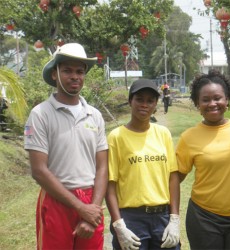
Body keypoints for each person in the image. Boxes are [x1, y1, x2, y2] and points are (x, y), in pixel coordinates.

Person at [24, 43, 108, 250]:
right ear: (55, 74)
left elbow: (102, 167)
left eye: (80, 71)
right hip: (56, 201)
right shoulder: (40, 114)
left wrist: (92, 210)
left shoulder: (94, 115)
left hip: (91, 200)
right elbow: (39, 171)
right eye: (67, 70)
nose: (74, 76)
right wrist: (81, 207)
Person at [176, 69, 230, 249]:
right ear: (197, 103)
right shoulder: (189, 137)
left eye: (217, 98)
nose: (212, 104)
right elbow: (175, 177)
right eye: (205, 99)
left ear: (227, 100)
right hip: (203, 217)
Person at [105, 79, 180, 250]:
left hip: (163, 216)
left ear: (156, 104)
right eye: (139, 99)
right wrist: (118, 225)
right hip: (131, 219)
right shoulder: (116, 137)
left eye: (150, 100)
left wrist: (174, 218)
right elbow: (110, 185)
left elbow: (173, 177)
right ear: (130, 101)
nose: (144, 105)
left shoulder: (163, 134)